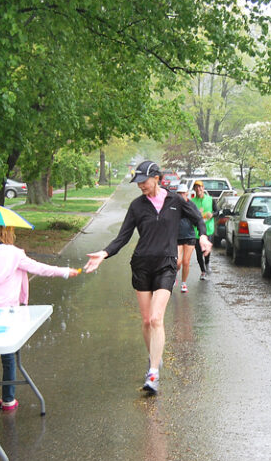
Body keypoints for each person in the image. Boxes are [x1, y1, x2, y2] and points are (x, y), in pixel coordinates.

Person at [84, 161, 212, 394]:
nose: (140, 185)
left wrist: (203, 236)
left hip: (166, 264)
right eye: (138, 182)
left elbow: (198, 219)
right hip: (142, 265)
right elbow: (122, 237)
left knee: (155, 319)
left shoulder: (175, 201)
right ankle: (154, 355)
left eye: (144, 181)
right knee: (145, 321)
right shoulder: (137, 206)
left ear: (157, 178)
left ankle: (153, 372)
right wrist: (104, 253)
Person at [0, 224, 80, 413]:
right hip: (9, 313)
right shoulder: (15, 254)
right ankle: (9, 400)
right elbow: (39, 269)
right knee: (9, 356)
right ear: (6, 232)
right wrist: (65, 271)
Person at [175, 183, 200, 293]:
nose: (181, 195)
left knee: (186, 261)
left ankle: (183, 283)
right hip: (177, 236)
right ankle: (175, 275)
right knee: (177, 262)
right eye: (179, 193)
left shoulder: (192, 205)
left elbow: (197, 219)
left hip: (189, 236)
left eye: (183, 193)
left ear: (187, 194)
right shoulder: (174, 205)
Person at [191, 180, 214, 279]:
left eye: (200, 187)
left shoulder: (210, 199)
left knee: (206, 250)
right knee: (198, 253)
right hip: (196, 231)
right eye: (196, 187)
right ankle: (203, 271)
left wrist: (212, 214)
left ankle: (207, 263)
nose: (198, 189)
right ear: (194, 189)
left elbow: (217, 211)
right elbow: (189, 216)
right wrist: (197, 214)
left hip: (208, 229)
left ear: (203, 188)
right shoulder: (192, 202)